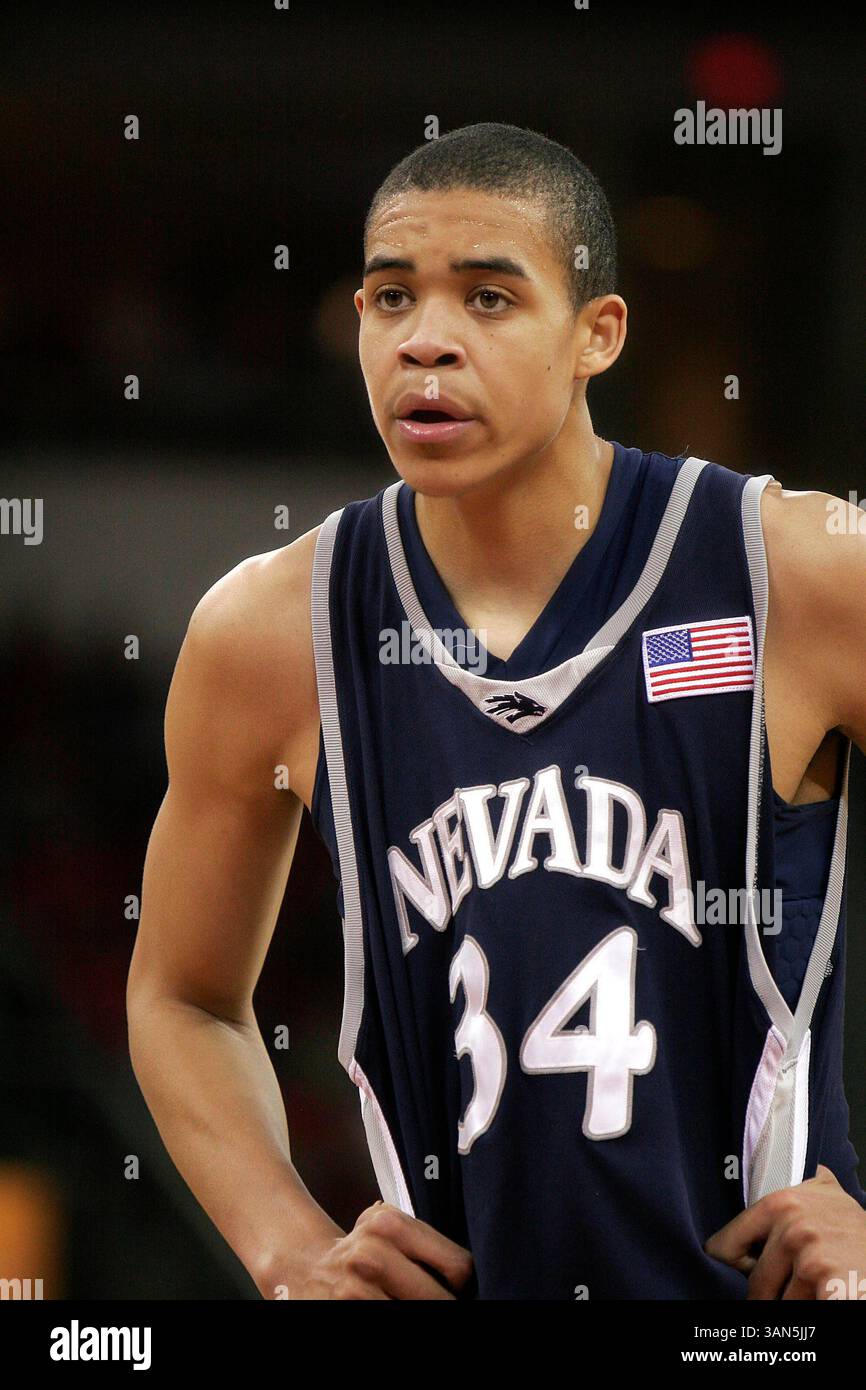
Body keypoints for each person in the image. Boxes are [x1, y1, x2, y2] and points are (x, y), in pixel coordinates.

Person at [127, 122, 866, 1299]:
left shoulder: (800, 571)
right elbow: (181, 995)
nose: (424, 342)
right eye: (388, 297)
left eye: (486, 298)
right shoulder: (269, 634)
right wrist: (284, 1246)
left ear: (596, 335)